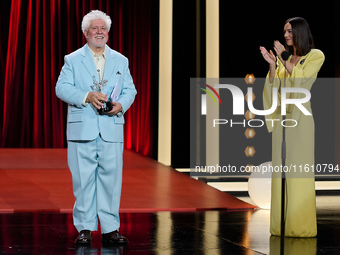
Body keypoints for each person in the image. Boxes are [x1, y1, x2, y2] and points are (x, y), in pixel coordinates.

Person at [56, 10, 137, 245]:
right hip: (83, 128)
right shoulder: (72, 59)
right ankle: (85, 228)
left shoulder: (121, 60)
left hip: (111, 126)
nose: (99, 32)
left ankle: (110, 229)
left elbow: (130, 89)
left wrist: (121, 104)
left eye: (103, 28)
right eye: (95, 28)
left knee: (111, 180)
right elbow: (61, 88)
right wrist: (87, 95)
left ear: (108, 33)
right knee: (83, 180)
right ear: (85, 33)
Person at [260, 17, 325, 237]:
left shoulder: (315, 56)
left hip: (301, 120)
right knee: (280, 173)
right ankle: (280, 226)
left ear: (300, 32)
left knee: (299, 174)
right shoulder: (281, 60)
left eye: (289, 31)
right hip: (281, 121)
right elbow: (274, 88)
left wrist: (283, 57)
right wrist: (272, 65)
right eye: (285, 32)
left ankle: (301, 227)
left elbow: (302, 80)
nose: (286, 35)